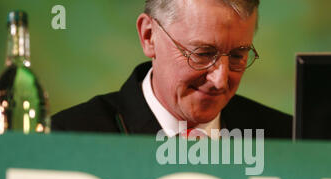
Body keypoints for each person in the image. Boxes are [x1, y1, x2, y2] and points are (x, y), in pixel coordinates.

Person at [52, 0, 293, 138]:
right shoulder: (68, 137)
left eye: (238, 55)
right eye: (202, 54)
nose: (220, 81)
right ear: (149, 36)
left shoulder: (289, 139)